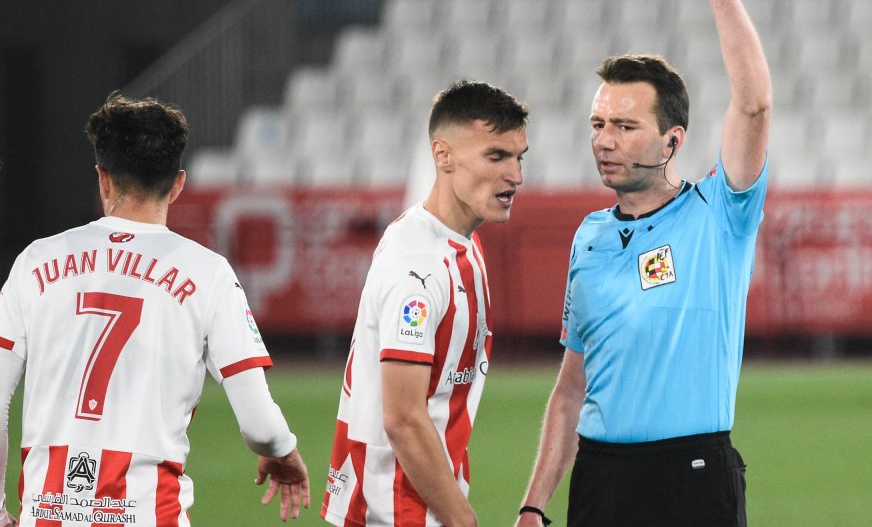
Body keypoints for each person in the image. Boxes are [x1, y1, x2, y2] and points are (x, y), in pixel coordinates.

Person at [515, 0, 771, 527]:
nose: (605, 139)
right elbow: (571, 387)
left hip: (694, 479)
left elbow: (753, 104)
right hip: (600, 481)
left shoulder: (719, 214)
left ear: (672, 140)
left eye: (625, 126)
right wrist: (534, 504)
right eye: (598, 124)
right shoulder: (589, 237)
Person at [0, 94, 310, 526]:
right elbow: (259, 424)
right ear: (178, 184)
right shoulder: (207, 273)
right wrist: (283, 451)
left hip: (46, 513)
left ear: (103, 179)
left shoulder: (35, 262)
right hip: (148, 513)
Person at [322, 80, 529, 527]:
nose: (515, 175)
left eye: (519, 158)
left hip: (415, 499)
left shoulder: (458, 241)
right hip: (394, 508)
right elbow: (403, 417)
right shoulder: (417, 266)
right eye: (496, 156)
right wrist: (460, 517)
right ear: (443, 155)